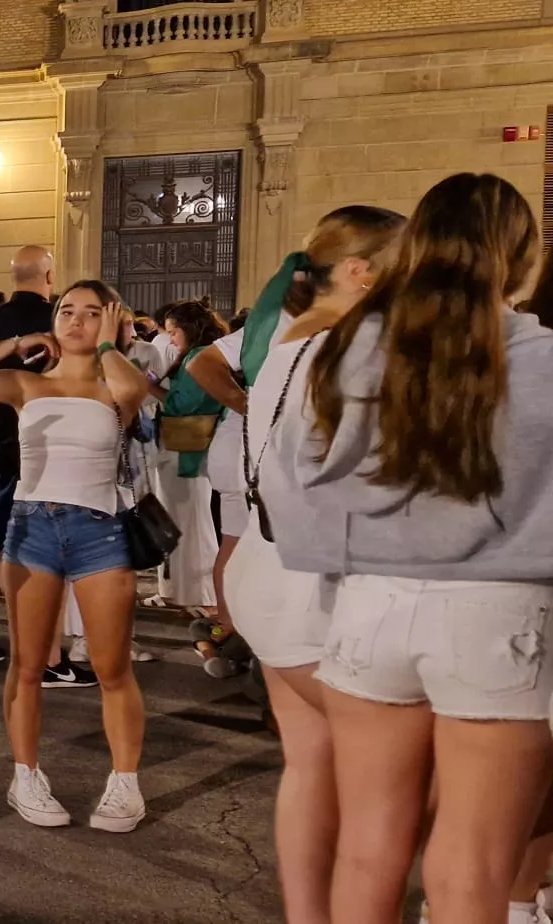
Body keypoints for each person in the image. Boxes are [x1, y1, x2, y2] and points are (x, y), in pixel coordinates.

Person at [266, 174, 553, 924]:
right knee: (471, 871)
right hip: (499, 610)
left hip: (370, 603)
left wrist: (340, 552)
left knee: (368, 849)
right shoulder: (544, 359)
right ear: (521, 259)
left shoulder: (348, 351)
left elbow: (292, 479)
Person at [211, 206, 404, 924]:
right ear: (361, 271)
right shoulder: (356, 347)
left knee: (312, 763)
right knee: (394, 782)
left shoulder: (286, 339)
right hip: (311, 583)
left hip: (264, 571)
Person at [0, 278, 152, 834]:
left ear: (111, 320)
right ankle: (25, 775)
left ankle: (125, 784)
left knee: (112, 666)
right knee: (27, 665)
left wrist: (109, 343)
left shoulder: (115, 382)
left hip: (100, 530)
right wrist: (18, 341)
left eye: (91, 312)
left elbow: (133, 390)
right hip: (31, 528)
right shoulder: (27, 383)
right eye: (66, 310)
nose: (75, 320)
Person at [0, 245, 58, 672]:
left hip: (0, 446)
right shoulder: (59, 318)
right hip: (53, 449)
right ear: (49, 276)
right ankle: (49, 655)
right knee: (50, 557)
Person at [148, 300, 227, 622]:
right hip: (181, 452)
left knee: (193, 524)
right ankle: (177, 591)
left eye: (173, 332)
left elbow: (184, 405)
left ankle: (202, 595)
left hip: (188, 453)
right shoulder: (201, 355)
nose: (170, 339)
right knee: (179, 524)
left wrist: (151, 388)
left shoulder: (199, 358)